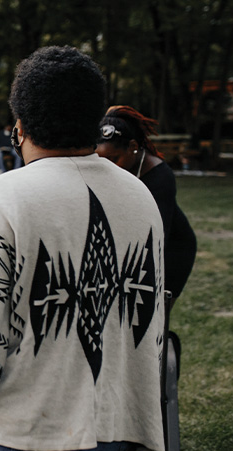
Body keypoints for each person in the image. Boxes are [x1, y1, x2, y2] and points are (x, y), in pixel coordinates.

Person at [0, 46, 166, 451]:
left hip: (13, 434)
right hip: (112, 430)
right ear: (95, 121)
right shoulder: (140, 196)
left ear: (18, 127)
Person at [96, 105, 197, 307]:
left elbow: (157, 238)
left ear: (133, 146)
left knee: (153, 313)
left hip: (171, 251)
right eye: (101, 160)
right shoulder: (114, 170)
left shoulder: (160, 178)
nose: (107, 166)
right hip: (133, 246)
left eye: (113, 159)